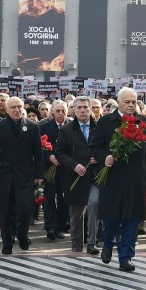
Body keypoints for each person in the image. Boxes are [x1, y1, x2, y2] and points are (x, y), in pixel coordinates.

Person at [91, 87, 146, 272]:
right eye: (127, 102)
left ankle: (126, 257)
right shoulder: (105, 122)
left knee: (132, 219)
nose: (131, 105)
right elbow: (94, 147)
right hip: (112, 179)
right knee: (111, 218)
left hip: (136, 180)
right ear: (118, 102)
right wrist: (106, 157)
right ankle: (108, 243)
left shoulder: (143, 123)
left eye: (134, 102)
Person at [0, 96, 43, 254]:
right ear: (6, 109)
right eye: (13, 107)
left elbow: (38, 153)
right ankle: (7, 242)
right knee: (5, 211)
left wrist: (39, 174)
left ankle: (22, 235)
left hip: (25, 175)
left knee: (25, 209)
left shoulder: (33, 126)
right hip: (4, 175)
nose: (16, 110)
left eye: (19, 107)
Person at [56, 96, 97, 252]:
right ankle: (77, 246)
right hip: (75, 176)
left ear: (90, 109)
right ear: (73, 109)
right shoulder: (66, 130)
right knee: (76, 213)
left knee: (94, 204)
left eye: (85, 107)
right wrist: (74, 165)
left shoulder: (98, 127)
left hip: (95, 175)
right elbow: (60, 153)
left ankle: (92, 242)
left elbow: (105, 148)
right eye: (79, 107)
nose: (82, 110)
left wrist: (98, 157)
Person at [40, 99, 70, 241]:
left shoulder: (71, 127)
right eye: (57, 111)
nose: (60, 113)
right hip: (50, 168)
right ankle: (50, 227)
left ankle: (59, 226)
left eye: (63, 111)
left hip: (65, 169)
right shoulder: (45, 127)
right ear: (52, 111)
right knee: (49, 198)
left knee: (64, 199)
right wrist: (49, 156)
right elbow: (39, 148)